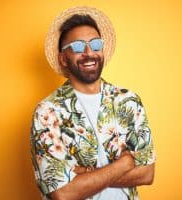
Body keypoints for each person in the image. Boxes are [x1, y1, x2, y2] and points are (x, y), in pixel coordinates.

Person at [30, 6, 156, 200]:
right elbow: (63, 193)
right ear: (63, 58)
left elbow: (147, 173)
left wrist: (83, 173)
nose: (89, 53)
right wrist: (123, 165)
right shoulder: (47, 112)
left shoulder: (129, 101)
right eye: (78, 47)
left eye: (96, 44)